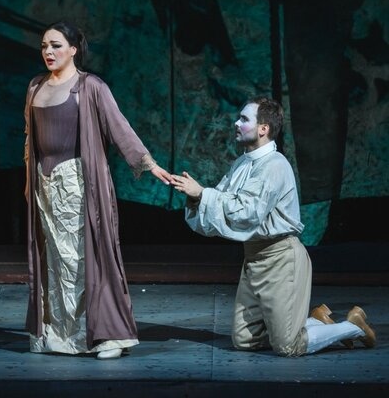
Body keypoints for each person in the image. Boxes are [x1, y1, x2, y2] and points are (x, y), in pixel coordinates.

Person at [170, 96, 376, 356]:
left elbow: (247, 212)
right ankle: (316, 322)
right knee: (245, 340)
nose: (236, 123)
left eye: (244, 119)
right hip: (253, 258)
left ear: (263, 128)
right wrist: (196, 198)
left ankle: (353, 326)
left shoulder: (275, 165)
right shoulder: (242, 164)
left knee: (288, 346)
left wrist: (203, 193)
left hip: (281, 258)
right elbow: (220, 211)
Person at [24, 21, 172, 359]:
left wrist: (150, 165)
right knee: (56, 260)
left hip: (78, 185)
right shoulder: (35, 86)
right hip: (45, 187)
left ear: (73, 49)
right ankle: (60, 333)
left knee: (87, 258)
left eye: (56, 45)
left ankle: (108, 336)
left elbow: (120, 128)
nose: (48, 51)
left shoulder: (89, 86)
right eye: (45, 45)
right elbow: (30, 139)